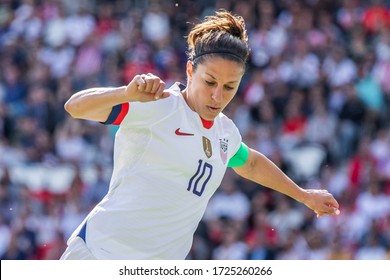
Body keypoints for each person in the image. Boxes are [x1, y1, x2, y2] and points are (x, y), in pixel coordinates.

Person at [60, 9, 340, 260]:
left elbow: (251, 163)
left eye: (229, 87)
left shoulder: (224, 131)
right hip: (99, 254)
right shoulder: (159, 106)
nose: (218, 95)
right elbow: (75, 107)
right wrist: (125, 93)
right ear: (190, 70)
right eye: (209, 82)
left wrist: (304, 196)